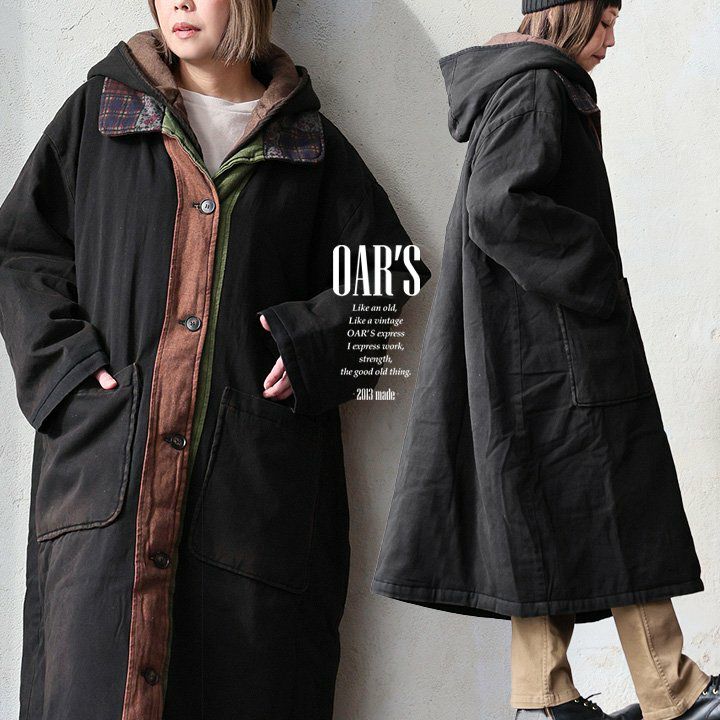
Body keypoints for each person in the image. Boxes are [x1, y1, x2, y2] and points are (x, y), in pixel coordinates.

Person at [0, 1, 430, 718]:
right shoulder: (100, 118)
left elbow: (391, 273)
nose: (180, 2)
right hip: (106, 487)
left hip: (247, 508)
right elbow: (21, 252)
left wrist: (312, 345)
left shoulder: (307, 145)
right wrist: (68, 371)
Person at [371, 2, 718, 720]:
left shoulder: (521, 81)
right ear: (568, 12)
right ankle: (676, 693)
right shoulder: (537, 85)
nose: (612, 39)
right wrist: (596, 268)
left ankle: (543, 697)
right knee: (623, 504)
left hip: (530, 352)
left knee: (539, 511)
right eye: (605, 19)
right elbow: (499, 206)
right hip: (562, 348)